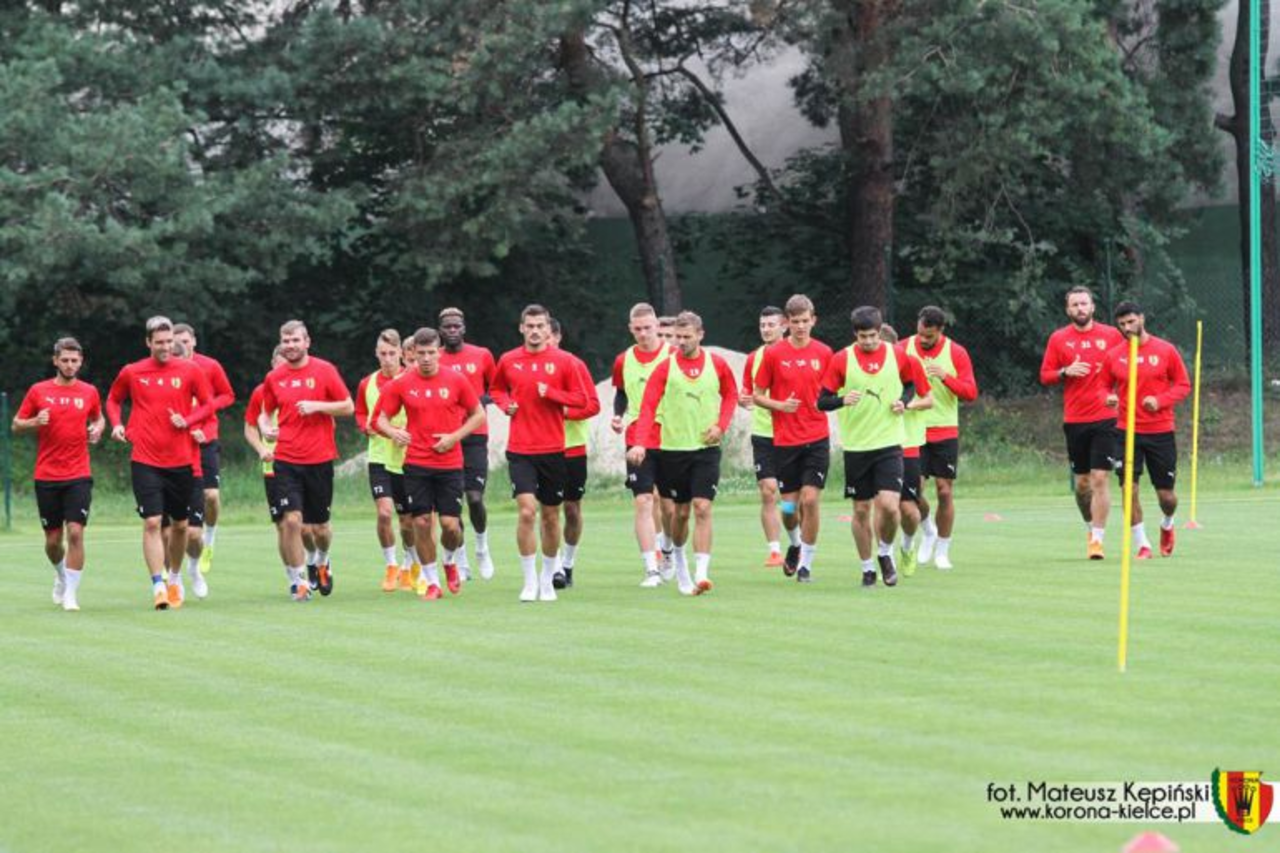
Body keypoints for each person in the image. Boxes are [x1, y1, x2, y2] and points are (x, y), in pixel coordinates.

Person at [820, 308, 932, 588]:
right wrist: (842, 400)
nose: (868, 341)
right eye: (863, 337)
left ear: (880, 331)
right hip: (857, 447)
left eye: (872, 336)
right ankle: (867, 568)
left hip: (889, 443)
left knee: (890, 507)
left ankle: (884, 552)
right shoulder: (842, 359)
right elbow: (822, 401)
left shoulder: (897, 355)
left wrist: (903, 401)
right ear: (855, 334)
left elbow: (910, 386)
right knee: (861, 510)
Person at [106, 316, 213, 610]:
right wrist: (117, 424)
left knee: (180, 526)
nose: (165, 347)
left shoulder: (190, 370)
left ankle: (175, 578)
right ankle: (158, 584)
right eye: (159, 342)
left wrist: (188, 420)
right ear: (148, 343)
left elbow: (208, 404)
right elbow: (113, 400)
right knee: (152, 522)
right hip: (145, 459)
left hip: (181, 460)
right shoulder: (132, 371)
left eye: (169, 342)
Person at [629, 311, 737, 595]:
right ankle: (677, 558)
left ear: (700, 335)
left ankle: (701, 573)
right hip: (672, 451)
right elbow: (648, 407)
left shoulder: (717, 364)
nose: (681, 342)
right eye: (678, 337)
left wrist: (721, 425)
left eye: (687, 336)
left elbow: (731, 395)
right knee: (680, 513)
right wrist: (640, 442)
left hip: (706, 450)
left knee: (702, 507)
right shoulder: (665, 368)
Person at [375, 327, 486, 600]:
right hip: (416, 463)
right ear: (412, 353)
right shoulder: (401, 383)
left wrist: (454, 437)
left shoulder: (456, 380)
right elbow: (379, 419)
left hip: (450, 463)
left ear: (439, 352)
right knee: (422, 523)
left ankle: (448, 561)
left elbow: (478, 415)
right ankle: (432, 581)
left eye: (431, 353)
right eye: (421, 353)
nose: (425, 359)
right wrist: (393, 432)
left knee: (450, 525)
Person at [490, 304, 589, 602]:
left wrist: (553, 394)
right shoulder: (508, 360)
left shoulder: (565, 362)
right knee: (526, 511)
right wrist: (505, 404)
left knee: (550, 516)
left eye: (540, 326)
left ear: (549, 329)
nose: (535, 331)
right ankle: (529, 580)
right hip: (520, 450)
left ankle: (548, 579)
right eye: (530, 326)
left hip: (554, 450)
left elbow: (582, 399)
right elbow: (496, 390)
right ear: (521, 328)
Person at [261, 319, 355, 601]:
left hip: (319, 459)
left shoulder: (324, 370)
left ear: (307, 342)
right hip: (286, 459)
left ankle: (322, 561)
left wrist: (318, 406)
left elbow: (348, 406)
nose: (290, 345)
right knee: (293, 522)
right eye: (286, 341)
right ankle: (299, 581)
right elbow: (265, 413)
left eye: (295, 340)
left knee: (320, 528)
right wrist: (266, 427)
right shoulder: (274, 378)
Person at [12, 337, 105, 611]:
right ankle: (61, 575)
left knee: (75, 533)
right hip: (47, 475)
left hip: (78, 473)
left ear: (81, 361)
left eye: (74, 360)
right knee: (53, 541)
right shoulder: (39, 391)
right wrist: (34, 421)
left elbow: (98, 417)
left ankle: (71, 595)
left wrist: (98, 428)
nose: (70, 365)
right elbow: (16, 425)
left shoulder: (89, 392)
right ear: (55, 361)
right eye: (65, 360)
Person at [751, 294, 833, 583]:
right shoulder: (774, 354)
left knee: (810, 500)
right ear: (788, 322)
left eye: (805, 321)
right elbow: (757, 395)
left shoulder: (824, 353)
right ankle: (795, 544)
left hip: (817, 438)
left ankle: (806, 564)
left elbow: (833, 392)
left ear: (813, 320)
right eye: (795, 321)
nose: (800, 326)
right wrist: (780, 406)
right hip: (785, 442)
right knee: (788, 508)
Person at [1039, 287, 1126, 559]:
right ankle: (1090, 528)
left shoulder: (1112, 335)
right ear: (1068, 310)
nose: (1080, 308)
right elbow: (1045, 375)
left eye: (1084, 303)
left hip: (1107, 418)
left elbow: (1126, 369)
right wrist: (1065, 371)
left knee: (1100, 478)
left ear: (1092, 307)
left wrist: (1118, 394)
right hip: (1076, 419)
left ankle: (1097, 540)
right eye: (1075, 304)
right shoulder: (1058, 338)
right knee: (1082, 485)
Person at [1103, 301, 1191, 559]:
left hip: (1160, 432)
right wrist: (1108, 397)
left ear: (1141, 318)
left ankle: (1167, 524)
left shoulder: (1165, 350)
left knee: (1167, 496)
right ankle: (1143, 544)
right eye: (1122, 324)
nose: (1127, 327)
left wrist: (1160, 400)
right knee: (1128, 489)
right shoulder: (1114, 355)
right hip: (1125, 431)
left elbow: (1183, 385)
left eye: (1131, 321)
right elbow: (1102, 386)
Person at [904, 306, 979, 570]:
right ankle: (928, 531)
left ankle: (943, 551)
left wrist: (945, 377)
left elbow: (970, 393)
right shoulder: (903, 348)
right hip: (914, 430)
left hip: (945, 429)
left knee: (944, 491)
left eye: (929, 336)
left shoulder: (956, 352)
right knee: (913, 490)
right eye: (920, 334)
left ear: (941, 331)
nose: (923, 340)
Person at [611, 303, 674, 587]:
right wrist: (617, 415)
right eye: (638, 329)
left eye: (648, 328)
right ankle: (651, 569)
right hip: (637, 436)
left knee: (669, 506)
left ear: (657, 326)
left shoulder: (673, 356)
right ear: (630, 329)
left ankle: (668, 550)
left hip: (671, 435)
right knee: (643, 500)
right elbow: (621, 393)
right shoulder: (623, 360)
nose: (644, 333)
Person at [354, 329, 420, 592]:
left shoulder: (412, 379)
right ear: (376, 353)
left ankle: (409, 564)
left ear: (401, 354)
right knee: (384, 513)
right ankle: (391, 565)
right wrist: (365, 427)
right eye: (383, 353)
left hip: (407, 457)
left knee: (407, 521)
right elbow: (361, 412)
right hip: (379, 457)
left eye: (392, 353)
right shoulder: (367, 383)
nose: (388, 359)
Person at [438, 307, 498, 580]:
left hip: (475, 433)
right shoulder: (435, 358)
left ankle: (482, 547)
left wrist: (480, 400)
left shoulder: (481, 355)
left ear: (464, 328)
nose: (452, 330)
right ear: (440, 330)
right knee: (453, 502)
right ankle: (461, 561)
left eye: (456, 326)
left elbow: (496, 388)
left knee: (474, 497)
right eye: (447, 326)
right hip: (446, 436)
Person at [172, 324, 235, 574]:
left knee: (211, 496)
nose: (181, 346)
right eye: (176, 342)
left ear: (194, 341)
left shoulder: (209, 366)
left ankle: (209, 540)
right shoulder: (166, 370)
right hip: (176, 442)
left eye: (185, 341)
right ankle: (172, 559)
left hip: (205, 437)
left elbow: (227, 395)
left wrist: (206, 407)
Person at [551, 318, 600, 589]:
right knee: (549, 510)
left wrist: (564, 412)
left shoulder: (574, 365)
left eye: (547, 335)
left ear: (557, 337)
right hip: (542, 449)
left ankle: (568, 564)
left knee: (571, 509)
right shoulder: (528, 368)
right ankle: (555, 567)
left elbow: (593, 405)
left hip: (573, 448)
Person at [740, 305, 789, 567]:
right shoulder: (753, 358)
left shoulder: (794, 354)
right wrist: (743, 400)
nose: (766, 329)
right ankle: (774, 550)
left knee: (792, 498)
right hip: (763, 434)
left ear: (784, 326)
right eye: (763, 325)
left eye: (771, 325)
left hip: (792, 434)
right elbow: (746, 392)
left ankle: (796, 541)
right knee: (769, 491)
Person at [879, 324, 929, 576]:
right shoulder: (861, 367)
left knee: (909, 511)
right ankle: (884, 556)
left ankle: (907, 547)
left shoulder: (910, 363)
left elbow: (928, 399)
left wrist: (906, 405)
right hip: (877, 444)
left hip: (907, 444)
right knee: (883, 507)